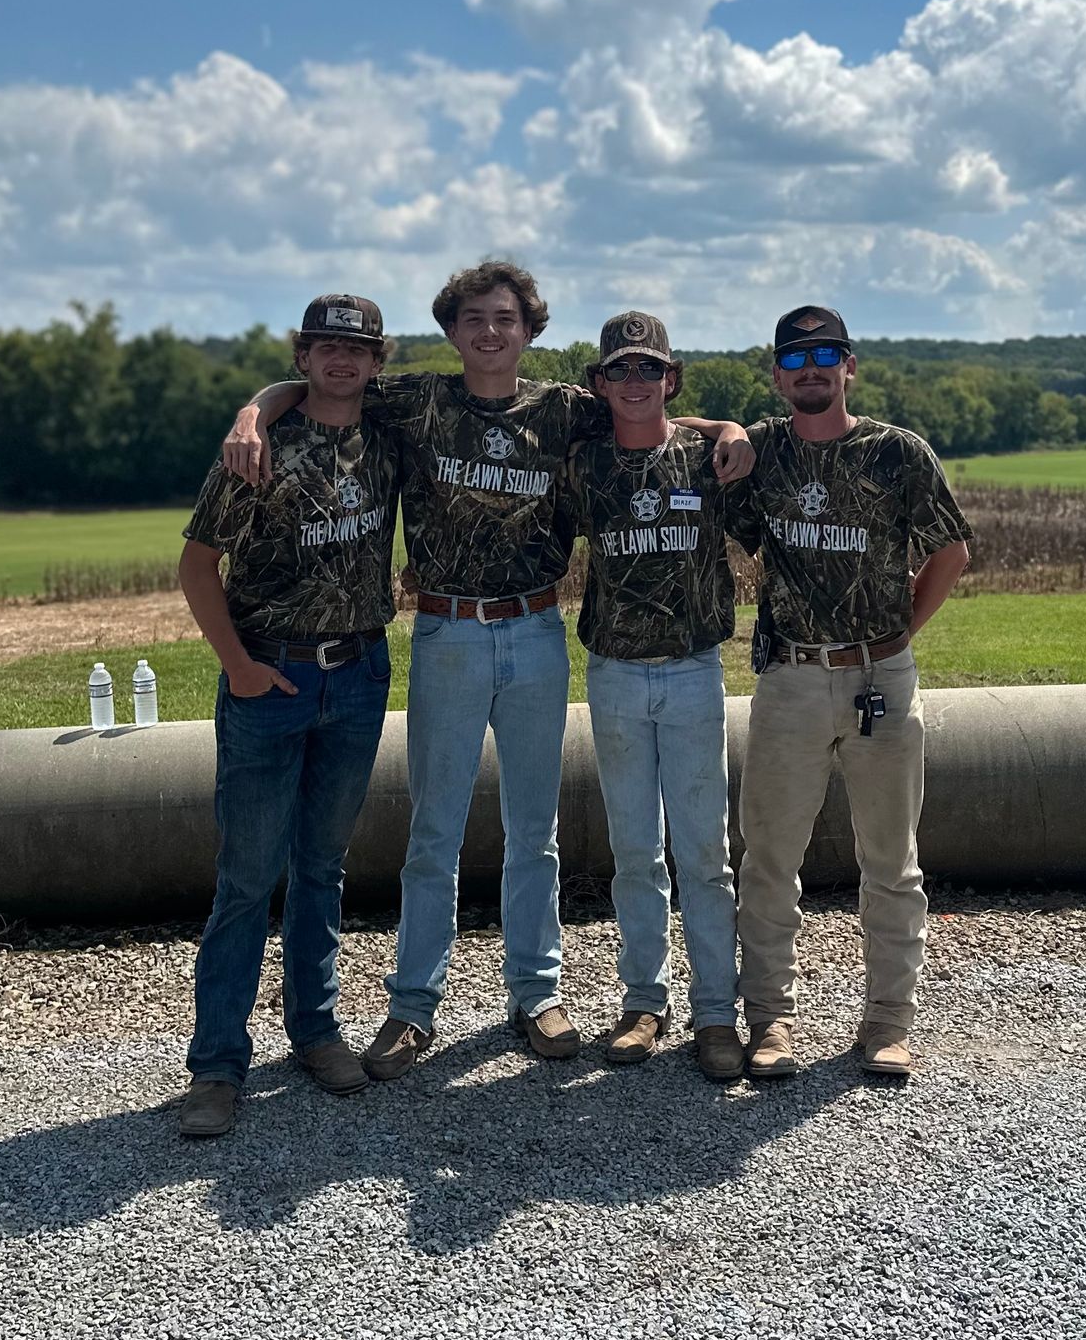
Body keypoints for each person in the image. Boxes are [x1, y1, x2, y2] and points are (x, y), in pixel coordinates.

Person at [220, 261, 753, 1078]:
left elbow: (656, 411)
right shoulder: (417, 400)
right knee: (435, 828)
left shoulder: (563, 407)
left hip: (536, 626)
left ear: (529, 328)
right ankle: (412, 1007)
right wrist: (254, 410)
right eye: (474, 318)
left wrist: (730, 432)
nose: (491, 332)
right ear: (451, 330)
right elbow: (319, 388)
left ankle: (536, 994)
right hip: (448, 630)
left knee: (533, 829)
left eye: (506, 318)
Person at [726, 305, 972, 1086]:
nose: (811, 370)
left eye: (825, 355)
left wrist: (900, 632)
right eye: (796, 359)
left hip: (881, 678)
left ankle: (888, 1026)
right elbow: (685, 426)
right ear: (777, 375)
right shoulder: (763, 450)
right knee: (768, 858)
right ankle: (769, 1021)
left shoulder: (897, 453)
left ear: (849, 367)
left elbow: (951, 550)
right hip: (791, 678)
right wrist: (730, 426)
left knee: (892, 861)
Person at [174, 294, 399, 1138]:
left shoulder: (391, 431)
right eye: (325, 347)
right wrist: (238, 669)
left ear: (377, 362)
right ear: (302, 355)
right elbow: (197, 566)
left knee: (322, 868)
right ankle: (217, 1066)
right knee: (246, 878)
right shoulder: (257, 450)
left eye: (358, 348)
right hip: (273, 676)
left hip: (360, 672)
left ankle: (314, 1031)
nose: (342, 360)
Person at [569, 311, 745, 1081]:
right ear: (599, 383)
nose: (635, 383)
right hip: (613, 673)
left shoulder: (710, 457)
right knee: (636, 851)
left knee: (704, 850)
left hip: (691, 670)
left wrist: (728, 423)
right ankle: (644, 1001)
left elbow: (747, 438)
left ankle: (716, 1013)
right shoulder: (582, 465)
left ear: (670, 379)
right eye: (621, 371)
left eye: (650, 369)